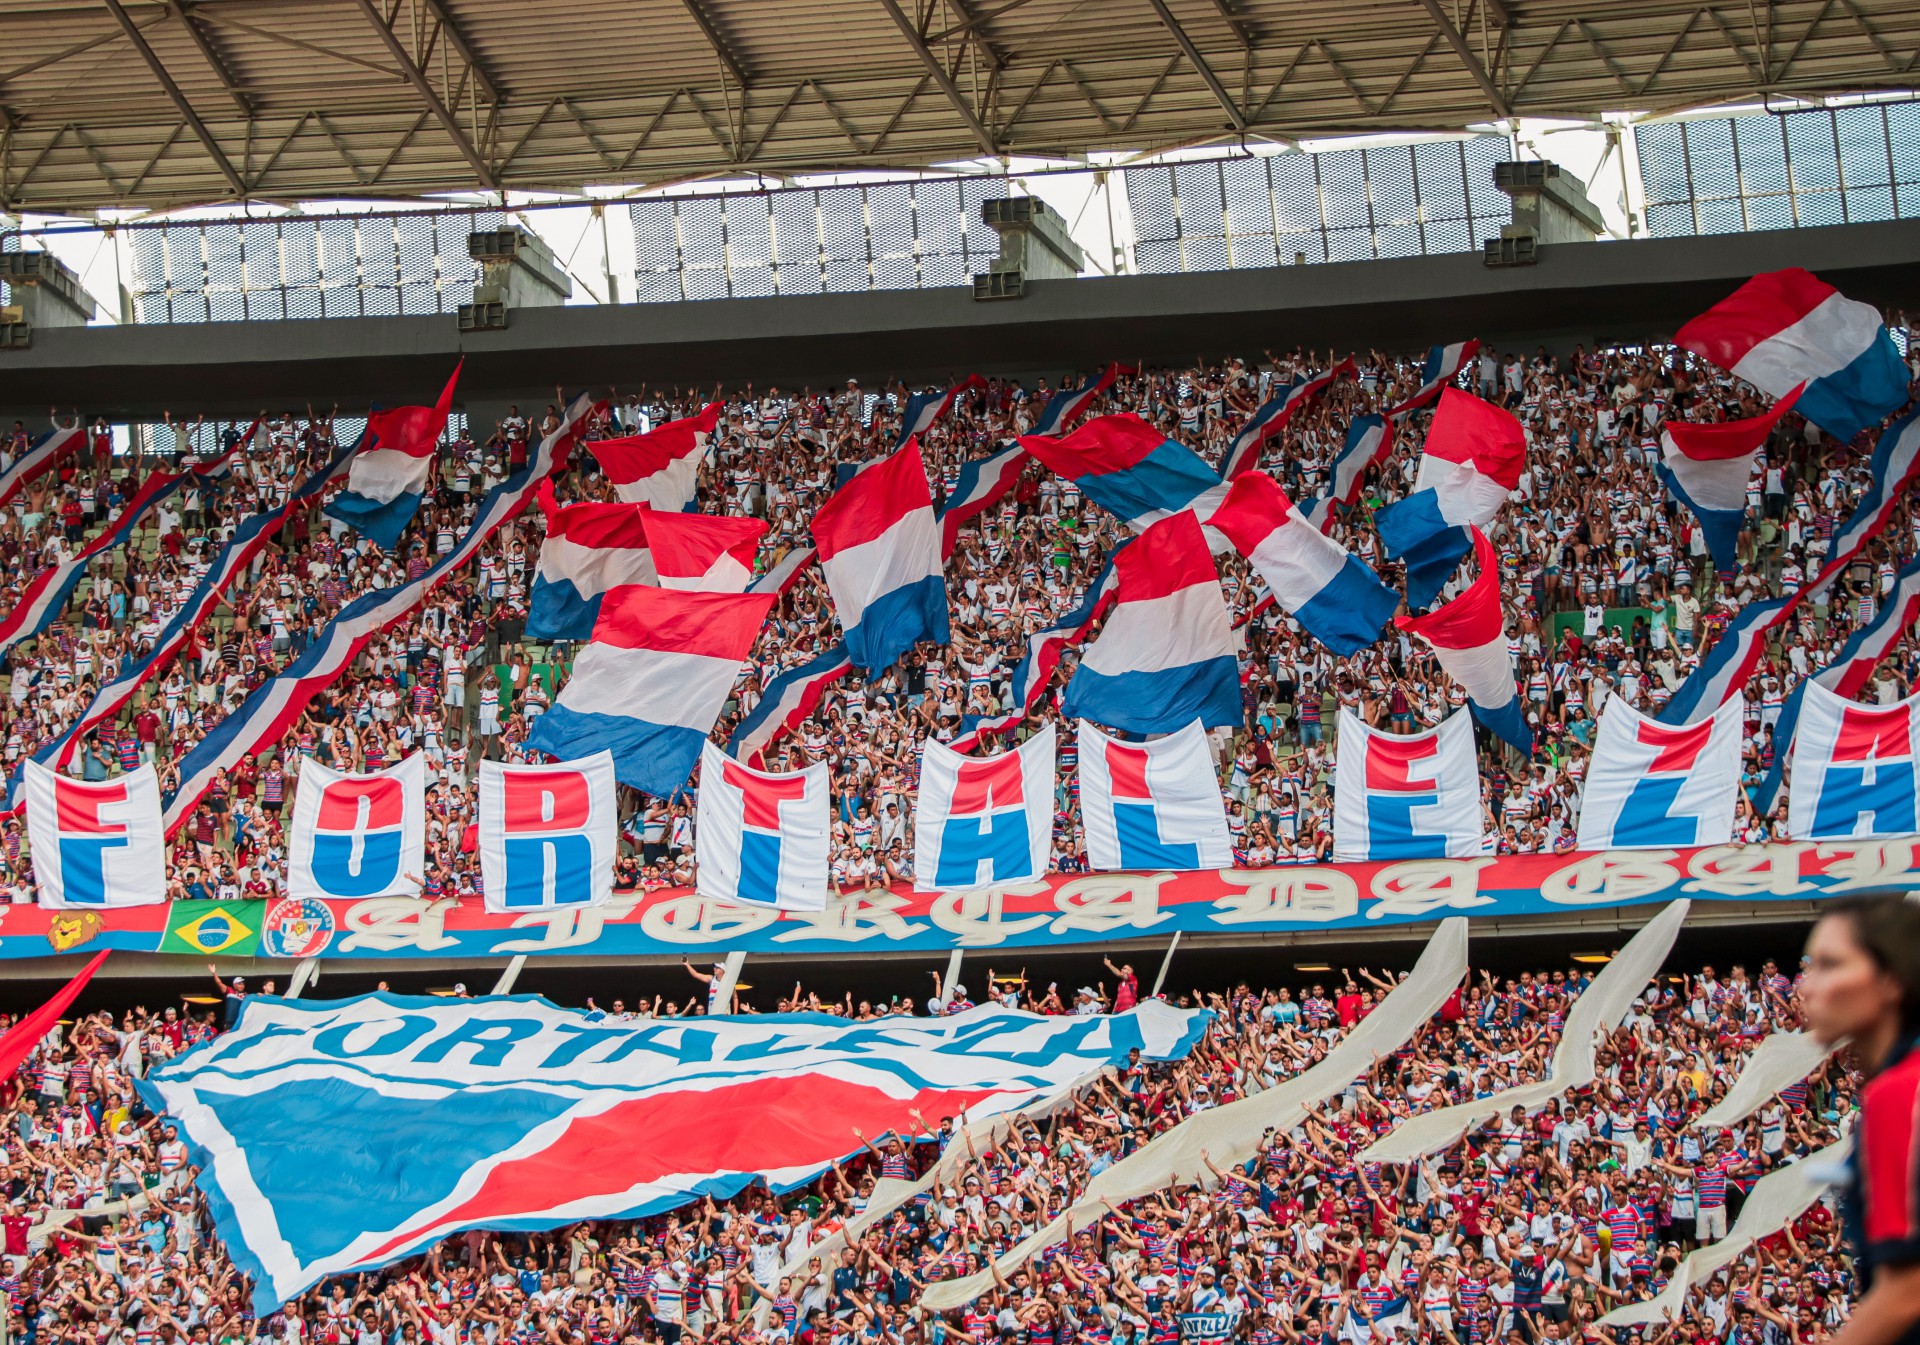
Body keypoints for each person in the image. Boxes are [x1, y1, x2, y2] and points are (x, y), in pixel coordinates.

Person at [1799, 894, 1920, 1345]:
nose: (1806, 986)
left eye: (1830, 965)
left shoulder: (1901, 1092)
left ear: (1890, 980)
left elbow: (1908, 1289)